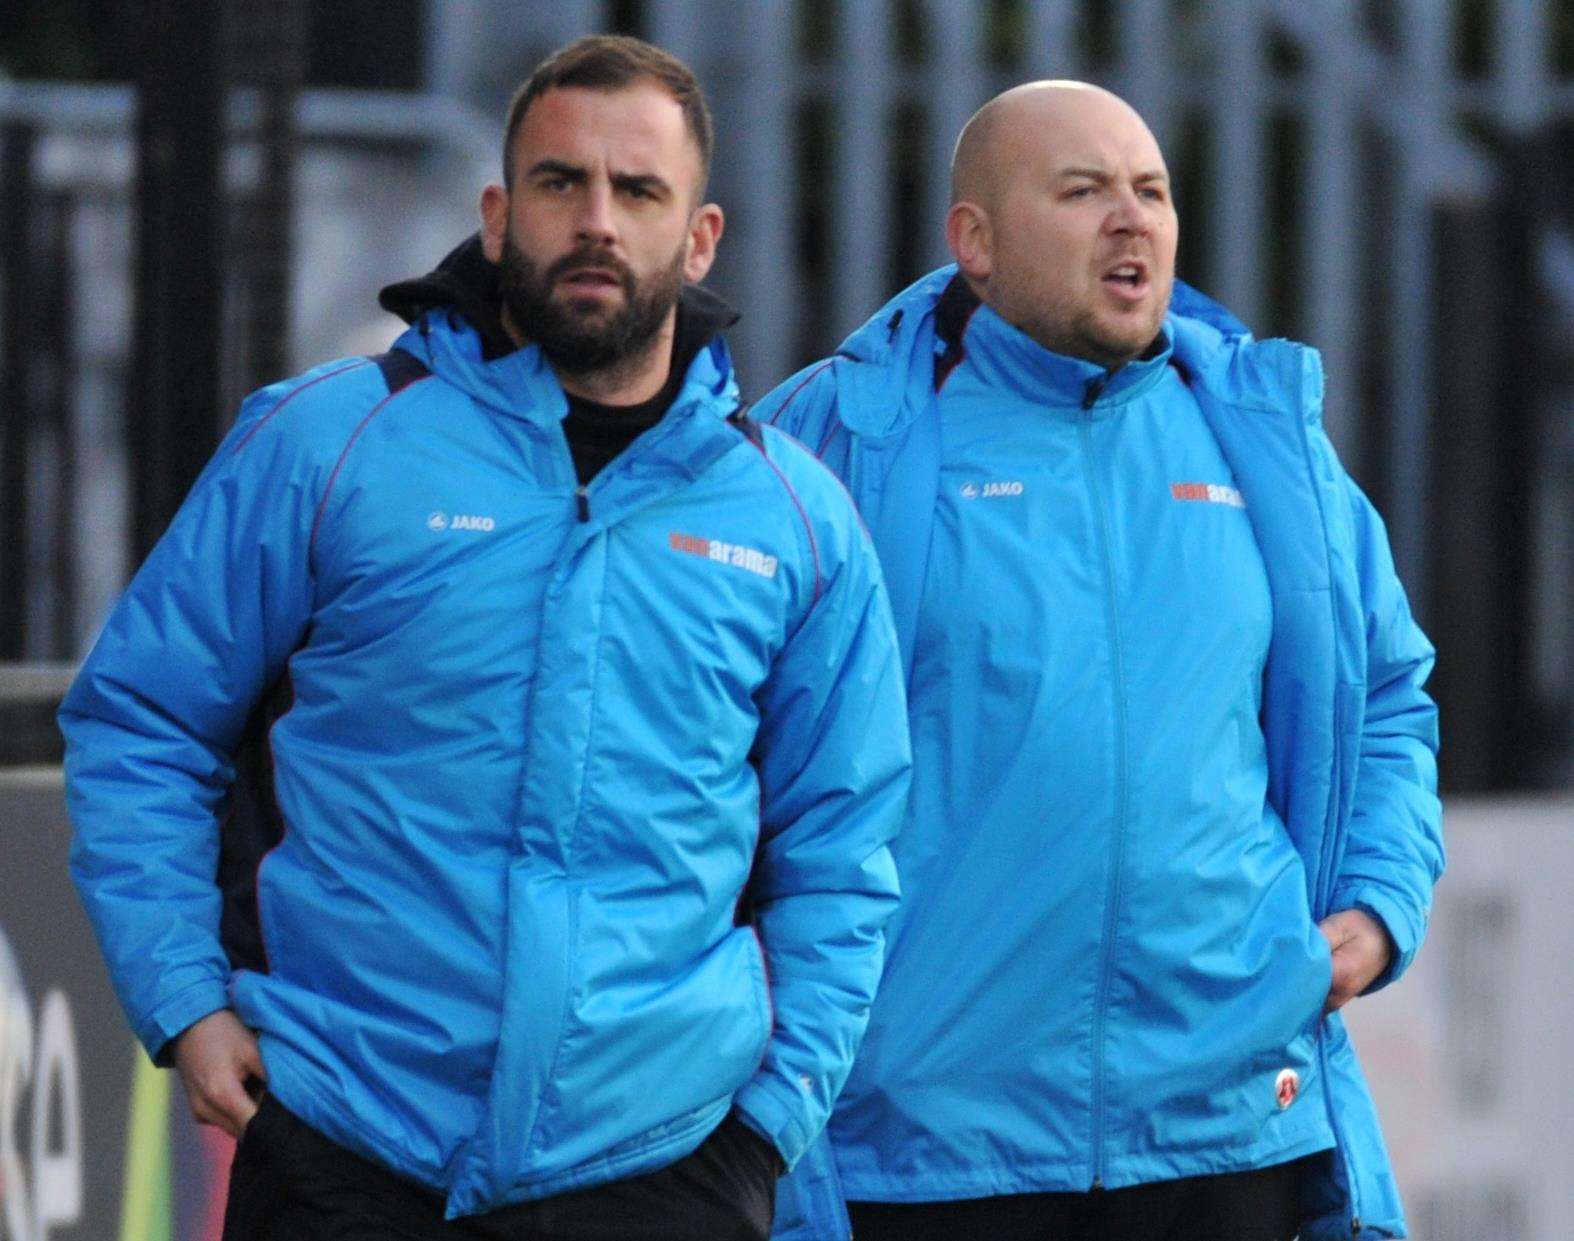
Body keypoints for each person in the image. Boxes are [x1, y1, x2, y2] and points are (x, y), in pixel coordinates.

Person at [61, 35, 910, 1241]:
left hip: (663, 1162)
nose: (598, 221)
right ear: (499, 214)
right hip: (343, 1145)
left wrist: (772, 1118)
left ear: (701, 234)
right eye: (563, 183)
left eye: (638, 190)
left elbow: (844, 846)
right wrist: (186, 1000)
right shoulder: (328, 442)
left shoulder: (795, 517)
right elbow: (140, 720)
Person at [757, 81, 1442, 1241]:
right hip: (925, 1151)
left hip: (1229, 1126)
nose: (1131, 219)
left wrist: (1379, 901)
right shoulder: (833, 443)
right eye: (1081, 192)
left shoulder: (1264, 436)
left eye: (1151, 191)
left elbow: (1383, 692)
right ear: (972, 241)